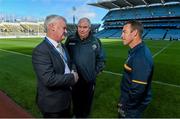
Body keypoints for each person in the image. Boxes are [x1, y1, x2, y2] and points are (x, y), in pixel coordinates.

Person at [32, 15, 79, 118]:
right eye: (64, 28)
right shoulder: (41, 50)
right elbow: (49, 79)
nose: (66, 31)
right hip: (52, 105)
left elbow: (70, 62)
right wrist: (73, 77)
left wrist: (74, 70)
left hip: (66, 99)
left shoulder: (62, 45)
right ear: (52, 27)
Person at [65, 17, 106, 118]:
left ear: (89, 28)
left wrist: (94, 72)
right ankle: (76, 114)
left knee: (87, 101)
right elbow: (65, 56)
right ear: (77, 27)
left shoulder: (96, 41)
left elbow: (101, 59)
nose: (82, 29)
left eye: (85, 27)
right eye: (80, 27)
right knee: (75, 99)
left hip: (89, 79)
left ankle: (84, 116)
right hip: (74, 78)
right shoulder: (71, 39)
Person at [118, 20, 154, 118]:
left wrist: (126, 106)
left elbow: (138, 90)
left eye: (124, 32)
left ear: (134, 33)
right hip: (129, 102)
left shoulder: (140, 57)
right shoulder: (136, 51)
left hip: (132, 108)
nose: (121, 36)